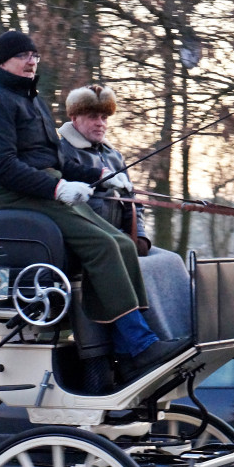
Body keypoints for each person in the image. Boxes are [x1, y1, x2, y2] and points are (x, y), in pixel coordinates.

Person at [0, 30, 190, 383]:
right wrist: (57, 187)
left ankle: (131, 346)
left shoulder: (32, 101)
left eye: (34, 55)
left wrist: (100, 174)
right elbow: (1, 168)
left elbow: (57, 160)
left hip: (43, 191)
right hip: (16, 197)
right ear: (3, 61)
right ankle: (138, 344)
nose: (31, 61)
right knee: (101, 246)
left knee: (120, 242)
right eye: (22, 55)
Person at [59, 84, 191, 341]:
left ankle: (184, 333)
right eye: (93, 117)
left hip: (121, 237)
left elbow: (133, 201)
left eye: (104, 117)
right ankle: (149, 341)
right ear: (74, 118)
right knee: (146, 269)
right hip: (91, 240)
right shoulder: (63, 152)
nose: (101, 123)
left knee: (171, 261)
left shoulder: (113, 156)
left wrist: (139, 236)